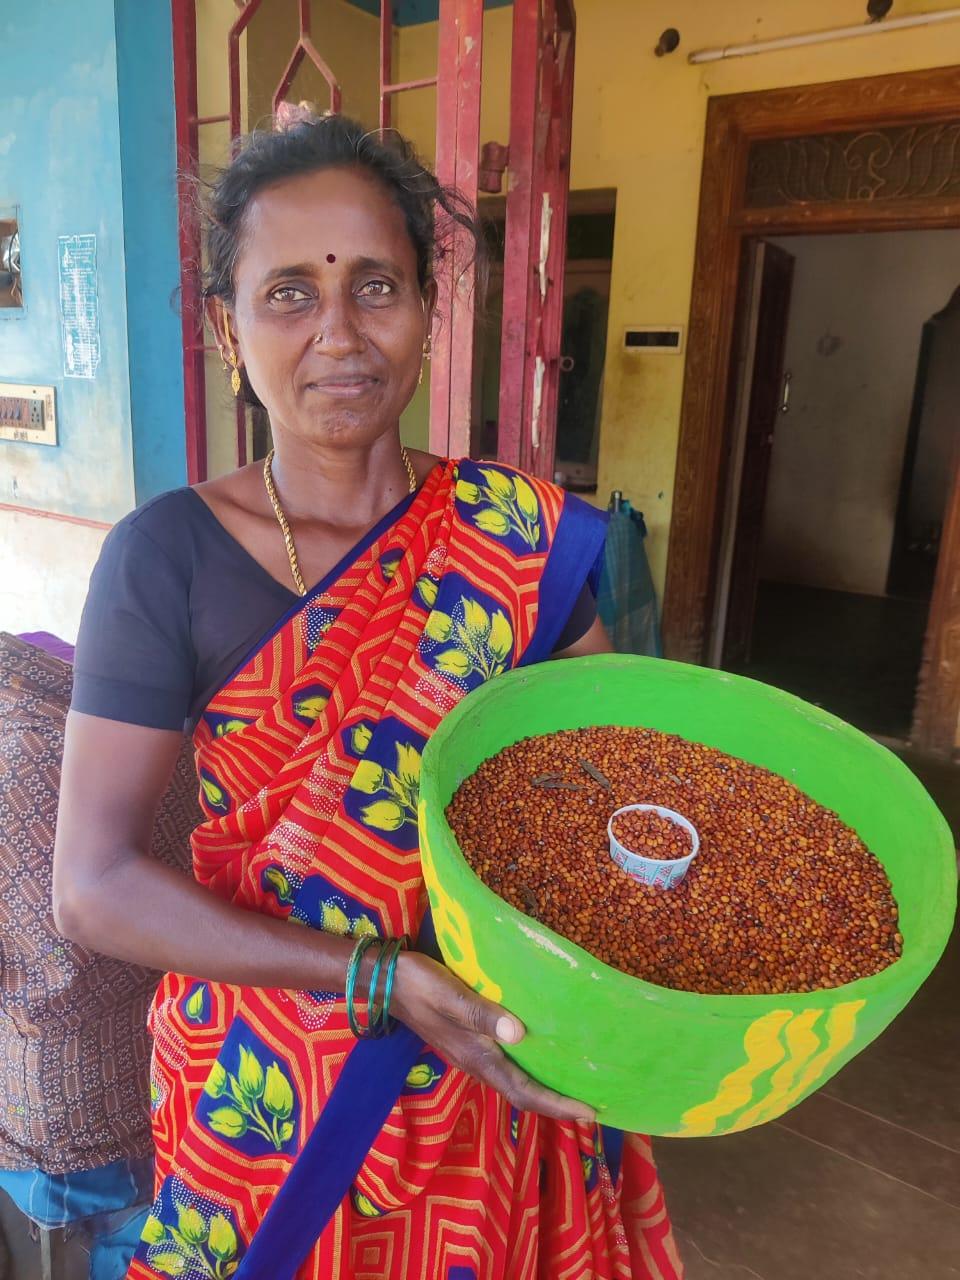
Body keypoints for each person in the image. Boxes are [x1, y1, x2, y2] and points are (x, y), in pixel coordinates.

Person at [53, 113, 682, 1280]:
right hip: (263, 1095)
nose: (338, 333)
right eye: (288, 293)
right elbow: (91, 886)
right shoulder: (166, 556)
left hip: (488, 1066)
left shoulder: (520, 540)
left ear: (429, 310)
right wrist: (380, 976)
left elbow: (613, 795)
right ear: (226, 328)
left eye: (376, 286)